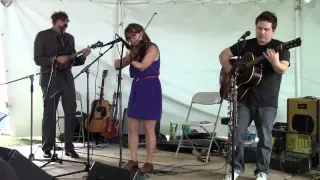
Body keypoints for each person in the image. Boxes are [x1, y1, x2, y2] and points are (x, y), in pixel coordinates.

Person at [219, 11, 290, 180]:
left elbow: (283, 68)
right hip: (243, 98)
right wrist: (232, 71)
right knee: (237, 135)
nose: (262, 32)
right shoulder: (246, 45)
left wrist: (274, 62)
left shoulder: (281, 47)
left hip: (267, 101)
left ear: (273, 30)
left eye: (266, 29)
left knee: (264, 140)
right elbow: (223, 55)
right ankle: (235, 168)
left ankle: (262, 172)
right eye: (259, 28)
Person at [34, 11, 91, 159]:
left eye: (64, 25)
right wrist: (54, 59)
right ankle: (47, 147)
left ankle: (69, 147)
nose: (62, 28)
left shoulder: (69, 38)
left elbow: (73, 60)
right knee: (50, 114)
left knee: (71, 112)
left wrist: (83, 56)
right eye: (60, 26)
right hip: (50, 78)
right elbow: (38, 59)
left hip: (67, 79)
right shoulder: (42, 36)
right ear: (54, 23)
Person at [114, 23, 162, 173]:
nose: (131, 39)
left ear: (141, 33)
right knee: (132, 127)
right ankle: (133, 160)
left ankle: (149, 163)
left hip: (151, 86)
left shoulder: (152, 47)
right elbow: (117, 65)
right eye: (128, 38)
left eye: (133, 35)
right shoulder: (134, 50)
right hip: (137, 87)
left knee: (149, 128)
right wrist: (127, 58)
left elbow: (143, 66)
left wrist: (131, 58)